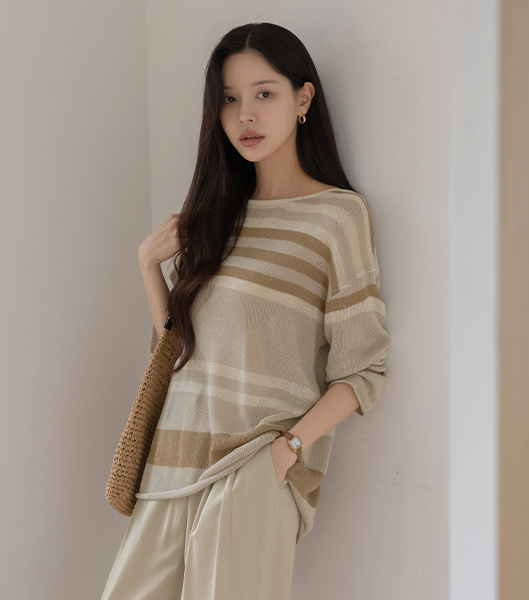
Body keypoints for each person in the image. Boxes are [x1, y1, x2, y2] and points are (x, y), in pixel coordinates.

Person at [101, 21, 391, 600]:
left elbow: (364, 370)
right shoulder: (216, 217)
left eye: (264, 93)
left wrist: (286, 452)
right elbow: (179, 353)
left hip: (253, 467)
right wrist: (149, 268)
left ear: (303, 99)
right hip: (171, 464)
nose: (245, 115)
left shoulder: (337, 218)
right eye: (229, 99)